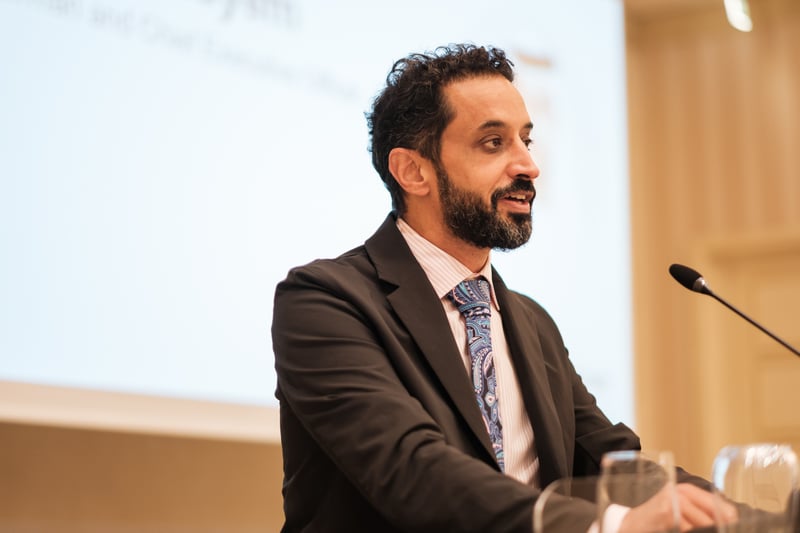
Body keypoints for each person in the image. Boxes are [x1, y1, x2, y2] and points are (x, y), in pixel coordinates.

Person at [272, 43, 733, 532]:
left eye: (526, 141)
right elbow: (412, 471)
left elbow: (611, 463)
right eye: (493, 143)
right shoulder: (325, 302)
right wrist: (615, 527)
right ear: (412, 171)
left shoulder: (531, 322)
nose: (529, 166)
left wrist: (747, 517)